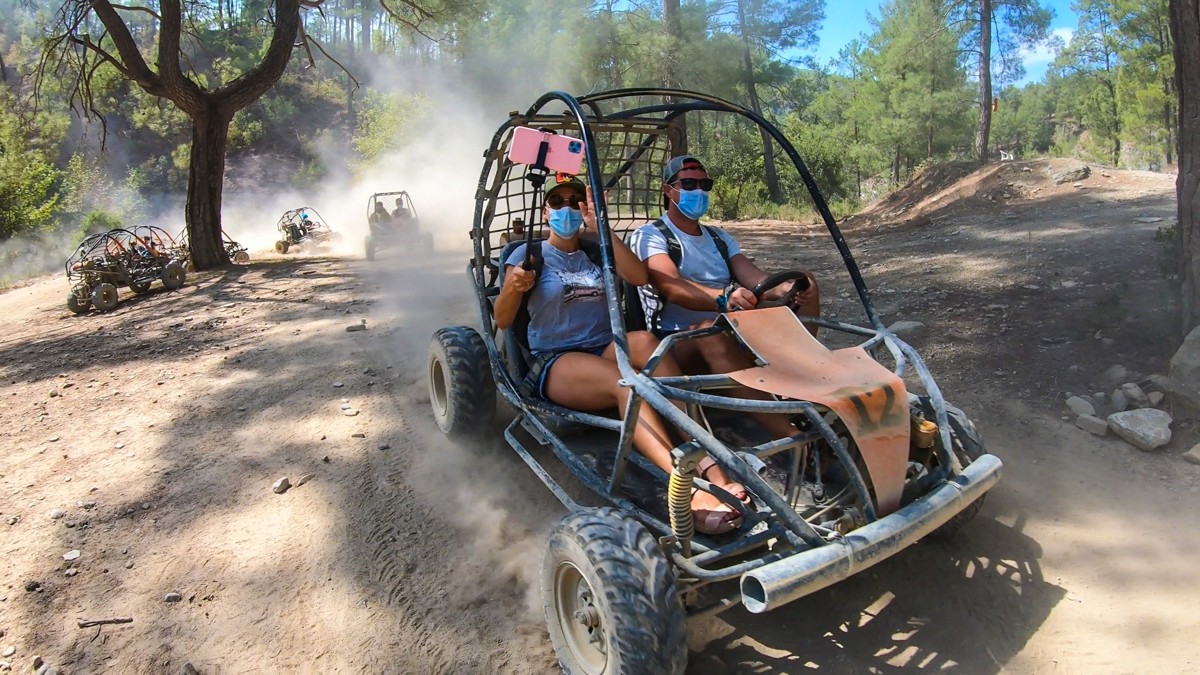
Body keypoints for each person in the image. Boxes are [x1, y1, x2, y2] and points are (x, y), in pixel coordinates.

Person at [496, 176, 747, 534]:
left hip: (604, 347)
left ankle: (709, 462)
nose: (567, 208)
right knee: (626, 384)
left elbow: (639, 277)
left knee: (645, 342)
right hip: (557, 357)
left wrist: (601, 227)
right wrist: (512, 287)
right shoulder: (527, 255)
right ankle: (685, 488)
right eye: (558, 202)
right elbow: (503, 319)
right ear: (545, 211)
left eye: (574, 201)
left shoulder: (595, 251)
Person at [629, 155, 822, 440]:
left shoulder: (718, 238)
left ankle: (804, 380)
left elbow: (755, 279)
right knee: (710, 332)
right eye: (689, 184)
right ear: (668, 190)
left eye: (704, 184)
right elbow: (672, 288)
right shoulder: (651, 236)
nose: (698, 191)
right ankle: (789, 435)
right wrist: (724, 298)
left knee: (807, 280)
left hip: (729, 331)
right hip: (674, 345)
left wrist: (788, 288)